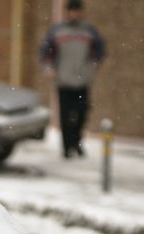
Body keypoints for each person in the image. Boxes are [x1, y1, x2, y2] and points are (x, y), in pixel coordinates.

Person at [39, 0, 105, 158]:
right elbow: (46, 51)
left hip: (82, 82)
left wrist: (92, 67)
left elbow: (99, 50)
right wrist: (49, 68)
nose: (75, 14)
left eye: (77, 11)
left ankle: (77, 143)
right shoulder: (57, 31)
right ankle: (67, 147)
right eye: (72, 11)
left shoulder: (89, 31)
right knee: (65, 116)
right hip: (64, 81)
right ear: (67, 12)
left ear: (81, 12)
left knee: (82, 114)